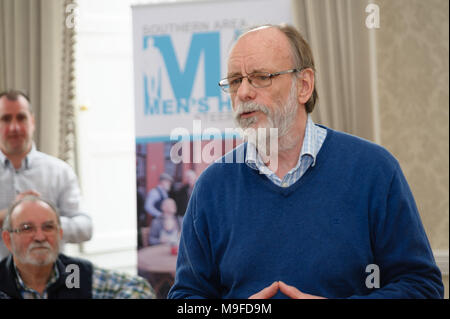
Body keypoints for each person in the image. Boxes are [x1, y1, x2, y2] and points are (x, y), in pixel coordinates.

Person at [167, 24, 444, 299]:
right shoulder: (212, 187)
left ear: (304, 86)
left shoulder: (375, 170)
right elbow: (186, 297)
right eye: (235, 80)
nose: (243, 93)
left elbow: (422, 287)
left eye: (261, 77)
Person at [0, 195, 155, 299]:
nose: (40, 237)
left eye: (48, 227)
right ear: (8, 239)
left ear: (60, 234)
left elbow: (140, 288)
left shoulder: (75, 272)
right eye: (27, 228)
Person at [0, 90, 92, 259]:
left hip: (52, 281)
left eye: (21, 118)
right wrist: (8, 216)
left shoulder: (60, 171)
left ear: (32, 121)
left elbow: (85, 228)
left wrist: (45, 223)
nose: (14, 127)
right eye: (5, 119)